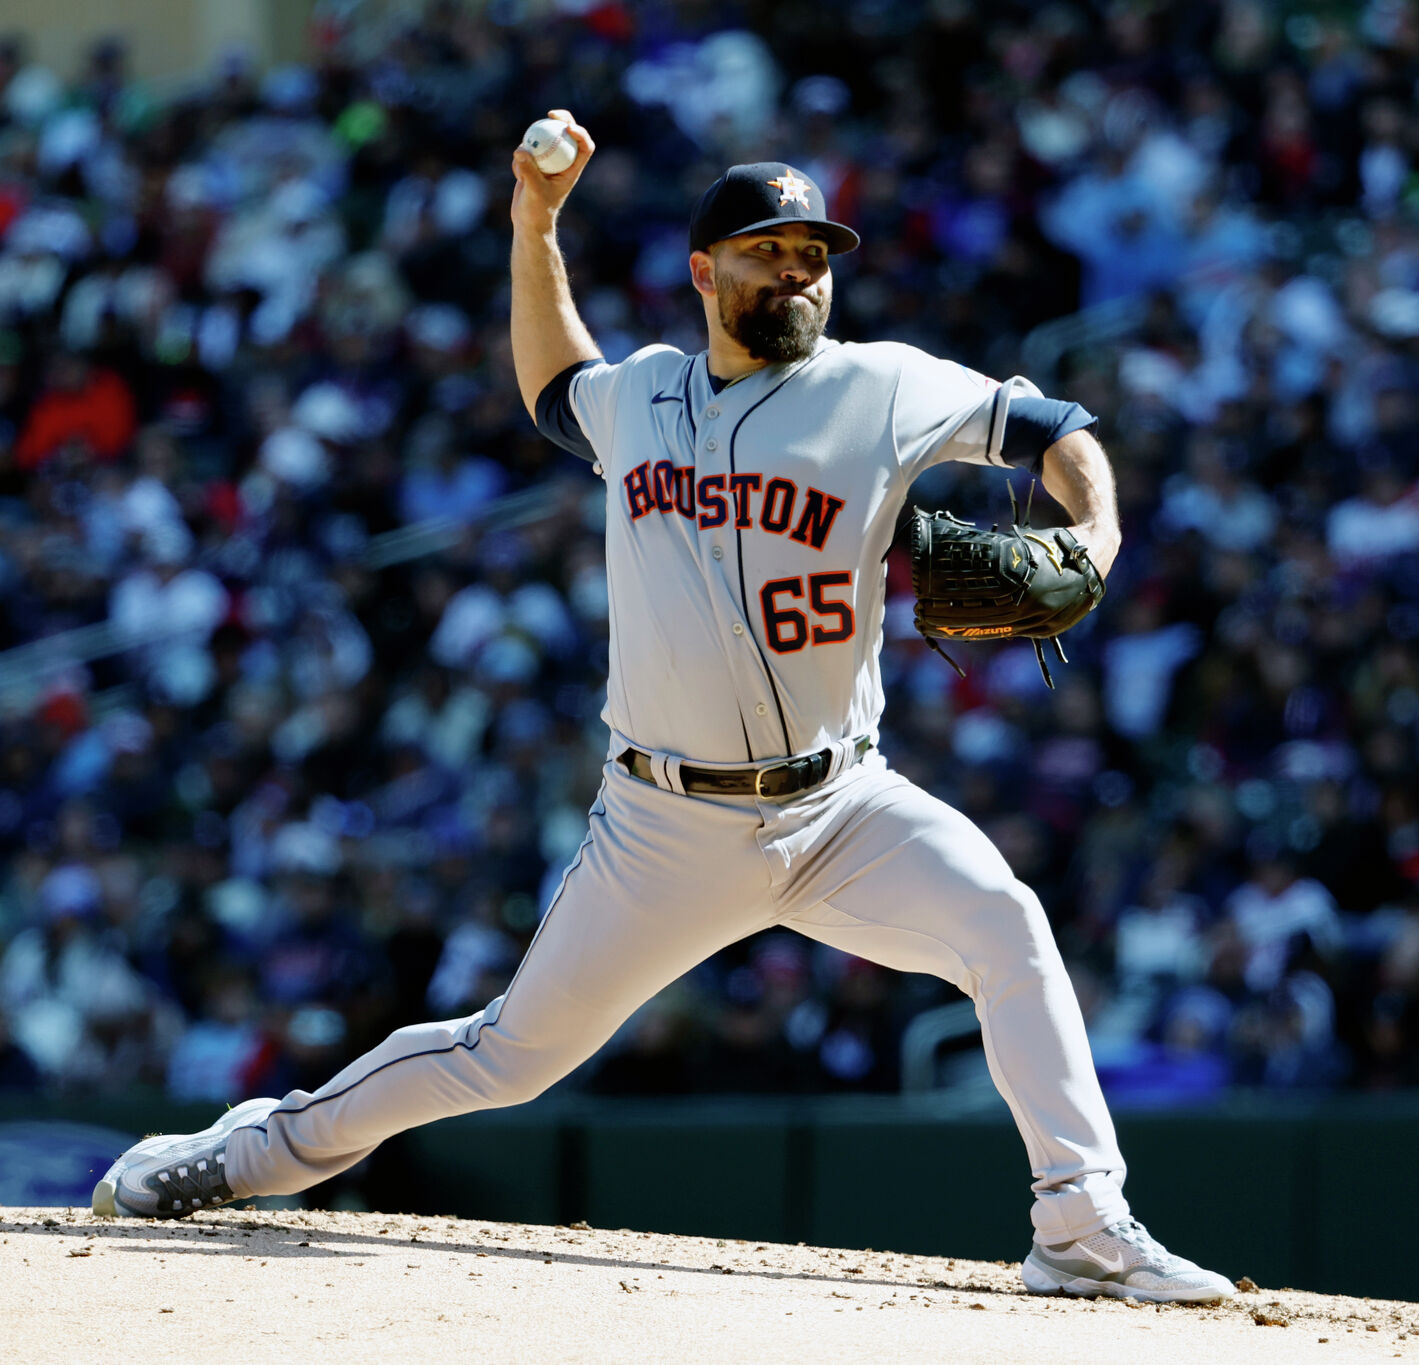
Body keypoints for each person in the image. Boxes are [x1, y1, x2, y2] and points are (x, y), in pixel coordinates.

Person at [93, 109, 1233, 1306]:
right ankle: (235, 1157)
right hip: (663, 826)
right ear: (704, 271)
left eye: (813, 255)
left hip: (842, 804)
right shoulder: (639, 398)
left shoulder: (884, 386)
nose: (797, 271)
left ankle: (1081, 1227)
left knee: (1006, 926)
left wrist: (1092, 535)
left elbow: (1057, 429)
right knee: (505, 1058)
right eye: (768, 249)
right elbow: (550, 386)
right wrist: (537, 222)